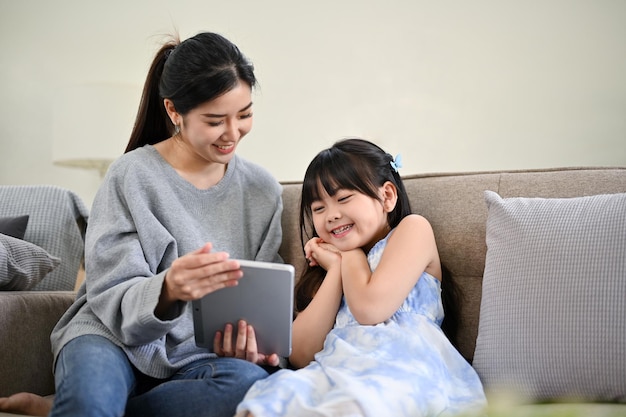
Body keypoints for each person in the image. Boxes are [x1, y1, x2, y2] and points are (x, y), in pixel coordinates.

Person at [0, 31, 283, 417]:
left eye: (245, 114)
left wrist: (252, 343)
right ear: (174, 112)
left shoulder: (262, 191)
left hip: (199, 356)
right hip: (110, 338)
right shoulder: (130, 176)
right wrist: (168, 289)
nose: (233, 133)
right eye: (216, 120)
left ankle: (69, 408)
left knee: (249, 384)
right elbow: (109, 293)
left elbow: (262, 303)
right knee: (89, 402)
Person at [235, 138, 487, 417]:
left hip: (403, 367)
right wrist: (334, 271)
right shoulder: (336, 265)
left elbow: (370, 309)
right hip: (341, 369)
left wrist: (350, 255)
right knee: (273, 397)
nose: (331, 215)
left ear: (387, 196)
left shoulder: (413, 230)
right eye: (319, 208)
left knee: (355, 403)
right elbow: (301, 354)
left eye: (343, 199)